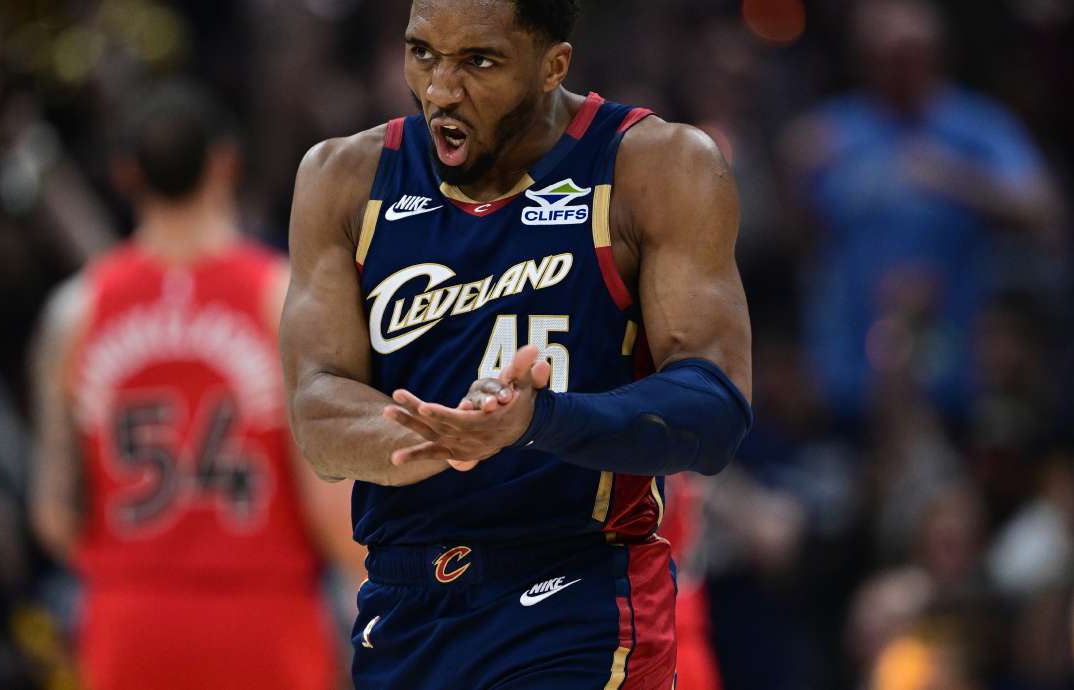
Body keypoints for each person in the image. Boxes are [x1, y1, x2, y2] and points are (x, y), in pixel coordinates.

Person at [281, 1, 753, 687]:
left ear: (552, 65)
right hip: (405, 601)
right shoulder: (343, 179)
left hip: (578, 591)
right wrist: (438, 438)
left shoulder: (657, 166)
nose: (442, 89)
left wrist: (538, 422)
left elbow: (715, 408)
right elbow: (317, 415)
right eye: (423, 54)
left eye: (479, 62)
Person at [29, 81, 363, 690]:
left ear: (126, 174)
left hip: (128, 627)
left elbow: (55, 516)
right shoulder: (279, 300)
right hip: (263, 625)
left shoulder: (74, 313)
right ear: (224, 162)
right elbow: (330, 505)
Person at [782, 0, 1061, 424]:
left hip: (957, 375)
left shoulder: (977, 127)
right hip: (849, 378)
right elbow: (794, 240)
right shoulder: (832, 132)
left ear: (936, 53)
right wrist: (792, 176)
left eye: (910, 53)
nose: (899, 67)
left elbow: (1042, 210)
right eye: (884, 55)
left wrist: (957, 179)